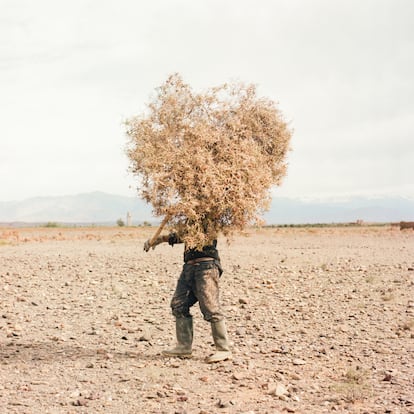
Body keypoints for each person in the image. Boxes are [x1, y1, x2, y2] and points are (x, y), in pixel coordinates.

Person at [144, 230, 232, 363]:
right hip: (189, 267)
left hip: (206, 267)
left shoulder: (209, 217)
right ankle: (184, 347)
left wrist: (161, 239)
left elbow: (192, 235)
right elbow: (185, 235)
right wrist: (160, 239)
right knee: (179, 304)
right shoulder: (190, 219)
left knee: (210, 306)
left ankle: (223, 349)